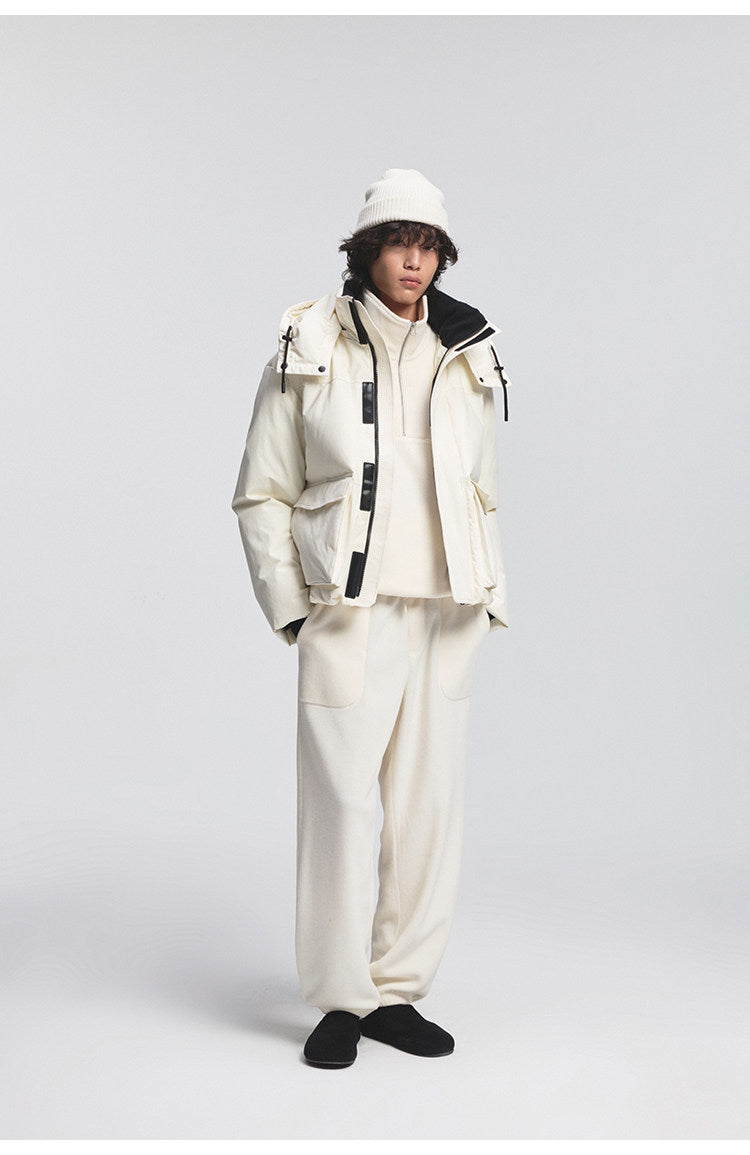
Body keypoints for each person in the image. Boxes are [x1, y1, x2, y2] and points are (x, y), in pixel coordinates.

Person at [231, 169, 510, 1069]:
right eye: (399, 243)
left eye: (429, 246)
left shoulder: (469, 347)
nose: (414, 261)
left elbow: (482, 487)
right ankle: (341, 999)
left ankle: (396, 991)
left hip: (446, 613)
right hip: (348, 612)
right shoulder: (309, 340)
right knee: (341, 810)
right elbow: (261, 491)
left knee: (427, 811)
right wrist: (292, 610)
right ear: (366, 250)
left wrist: (486, 591)